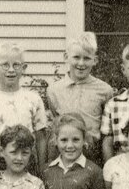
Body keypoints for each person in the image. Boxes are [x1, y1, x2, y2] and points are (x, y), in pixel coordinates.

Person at [0, 41, 49, 171]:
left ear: (24, 68)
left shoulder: (33, 99)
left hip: (25, 162)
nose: (11, 70)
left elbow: (41, 138)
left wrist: (42, 169)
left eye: (16, 65)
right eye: (5, 65)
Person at [46, 32, 115, 163]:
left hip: (93, 156)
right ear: (66, 57)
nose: (81, 63)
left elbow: (107, 129)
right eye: (76, 57)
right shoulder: (54, 90)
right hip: (65, 153)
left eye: (87, 58)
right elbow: (56, 123)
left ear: (95, 60)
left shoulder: (105, 90)